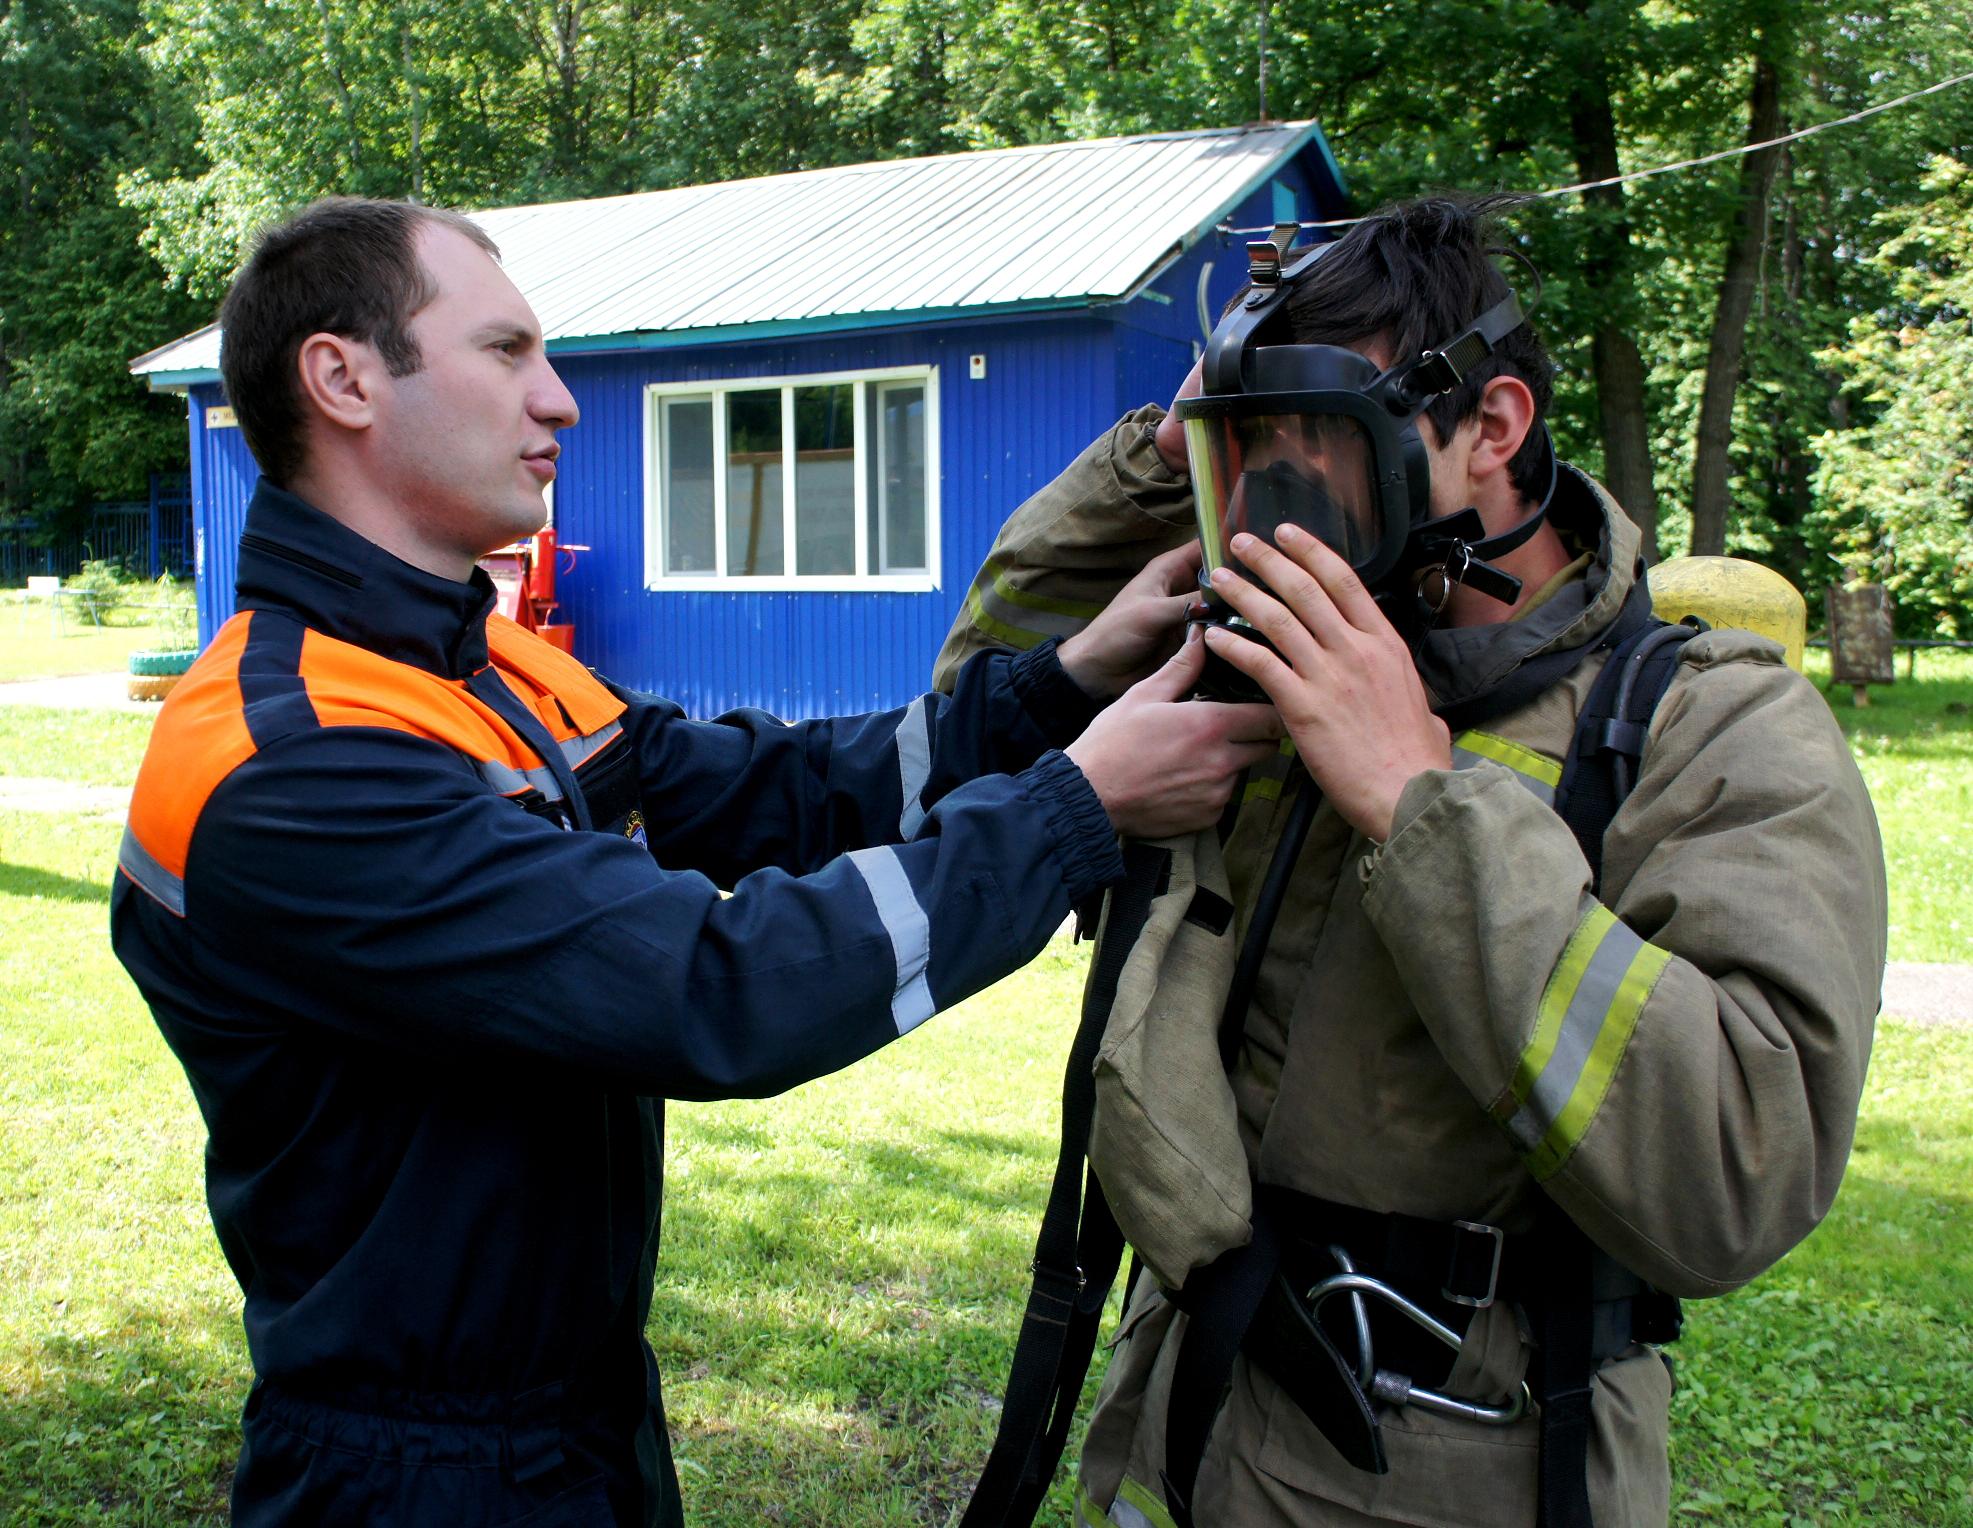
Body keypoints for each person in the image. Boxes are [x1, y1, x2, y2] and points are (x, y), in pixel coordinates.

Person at [110, 196, 1285, 1527]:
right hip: (415, 1475)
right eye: (506, 353)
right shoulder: (289, 764)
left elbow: (782, 793)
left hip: (578, 1426)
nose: (557, 402)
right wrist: (1075, 812)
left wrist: (1062, 686)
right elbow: (716, 989)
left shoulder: (487, 666)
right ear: (342, 378)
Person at [934, 196, 1886, 1527]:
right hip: (1183, 1422)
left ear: (1487, 426)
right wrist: (1163, 454)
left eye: (1313, 442)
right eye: (1241, 454)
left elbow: (1737, 1169)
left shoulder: (1703, 727)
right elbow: (987, 706)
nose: (1272, 508)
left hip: (1455, 1456)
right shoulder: (1252, 661)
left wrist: (1416, 804)